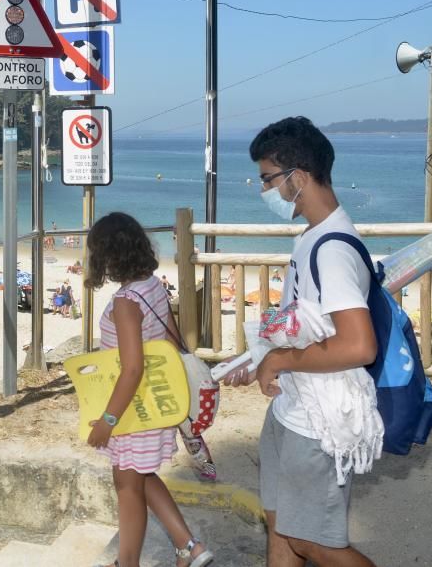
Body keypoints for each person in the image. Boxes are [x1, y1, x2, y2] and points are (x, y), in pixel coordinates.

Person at [222, 117, 377, 567]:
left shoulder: (332, 249)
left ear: (299, 177)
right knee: (284, 529)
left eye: (268, 178)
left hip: (320, 423)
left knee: (314, 542)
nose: (263, 190)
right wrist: (260, 358)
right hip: (292, 408)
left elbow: (358, 345)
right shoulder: (309, 237)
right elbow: (305, 324)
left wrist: (282, 358)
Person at [85, 212, 214, 567]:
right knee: (140, 474)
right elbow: (172, 342)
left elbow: (132, 368)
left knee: (127, 488)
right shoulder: (153, 285)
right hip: (154, 402)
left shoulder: (126, 303)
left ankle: (127, 563)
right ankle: (189, 546)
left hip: (133, 409)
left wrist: (108, 421)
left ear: (107, 256)